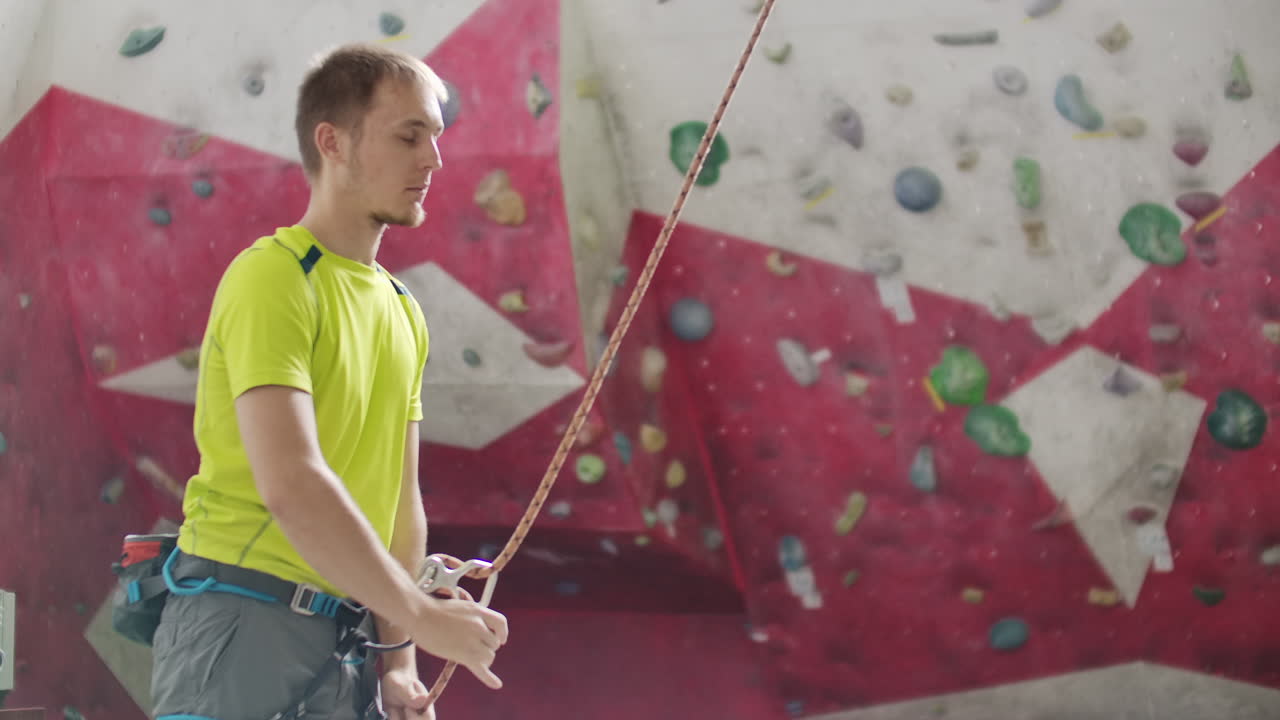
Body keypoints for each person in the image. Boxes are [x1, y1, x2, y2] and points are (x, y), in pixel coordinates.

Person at [149, 42, 508, 720]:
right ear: (333, 142)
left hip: (343, 645)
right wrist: (422, 617)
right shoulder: (274, 277)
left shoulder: (402, 309)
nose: (433, 160)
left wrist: (399, 661)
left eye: (435, 138)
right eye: (409, 136)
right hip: (242, 624)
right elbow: (293, 484)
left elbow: (399, 505)